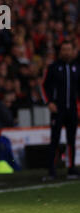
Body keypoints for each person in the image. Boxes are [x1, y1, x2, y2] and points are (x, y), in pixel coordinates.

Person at [42, 40, 79, 179]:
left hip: (72, 110)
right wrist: (49, 102)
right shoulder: (53, 67)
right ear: (60, 51)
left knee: (71, 140)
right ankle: (52, 170)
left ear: (73, 51)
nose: (67, 52)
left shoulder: (76, 67)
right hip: (58, 109)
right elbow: (44, 86)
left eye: (69, 49)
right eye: (64, 49)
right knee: (54, 140)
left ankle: (71, 169)